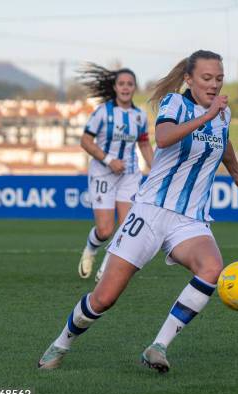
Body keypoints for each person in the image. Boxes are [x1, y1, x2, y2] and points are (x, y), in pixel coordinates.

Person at [38, 50, 238, 373]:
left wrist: (236, 170)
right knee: (104, 298)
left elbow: (222, 141)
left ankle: (158, 346)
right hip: (150, 211)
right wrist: (206, 116)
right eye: (206, 78)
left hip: (190, 218)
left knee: (211, 268)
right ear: (189, 79)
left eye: (219, 79)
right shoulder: (174, 104)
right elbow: (164, 138)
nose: (213, 85)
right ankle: (62, 342)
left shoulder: (223, 114)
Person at [77, 64, 153, 281]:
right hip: (103, 173)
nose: (126, 88)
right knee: (105, 230)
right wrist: (109, 160)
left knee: (127, 225)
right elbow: (85, 141)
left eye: (130, 84)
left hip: (129, 175)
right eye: (122, 84)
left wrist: (156, 171)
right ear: (115, 87)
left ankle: (108, 266)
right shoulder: (103, 112)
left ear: (135, 88)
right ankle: (91, 249)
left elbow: (145, 145)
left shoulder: (139, 116)